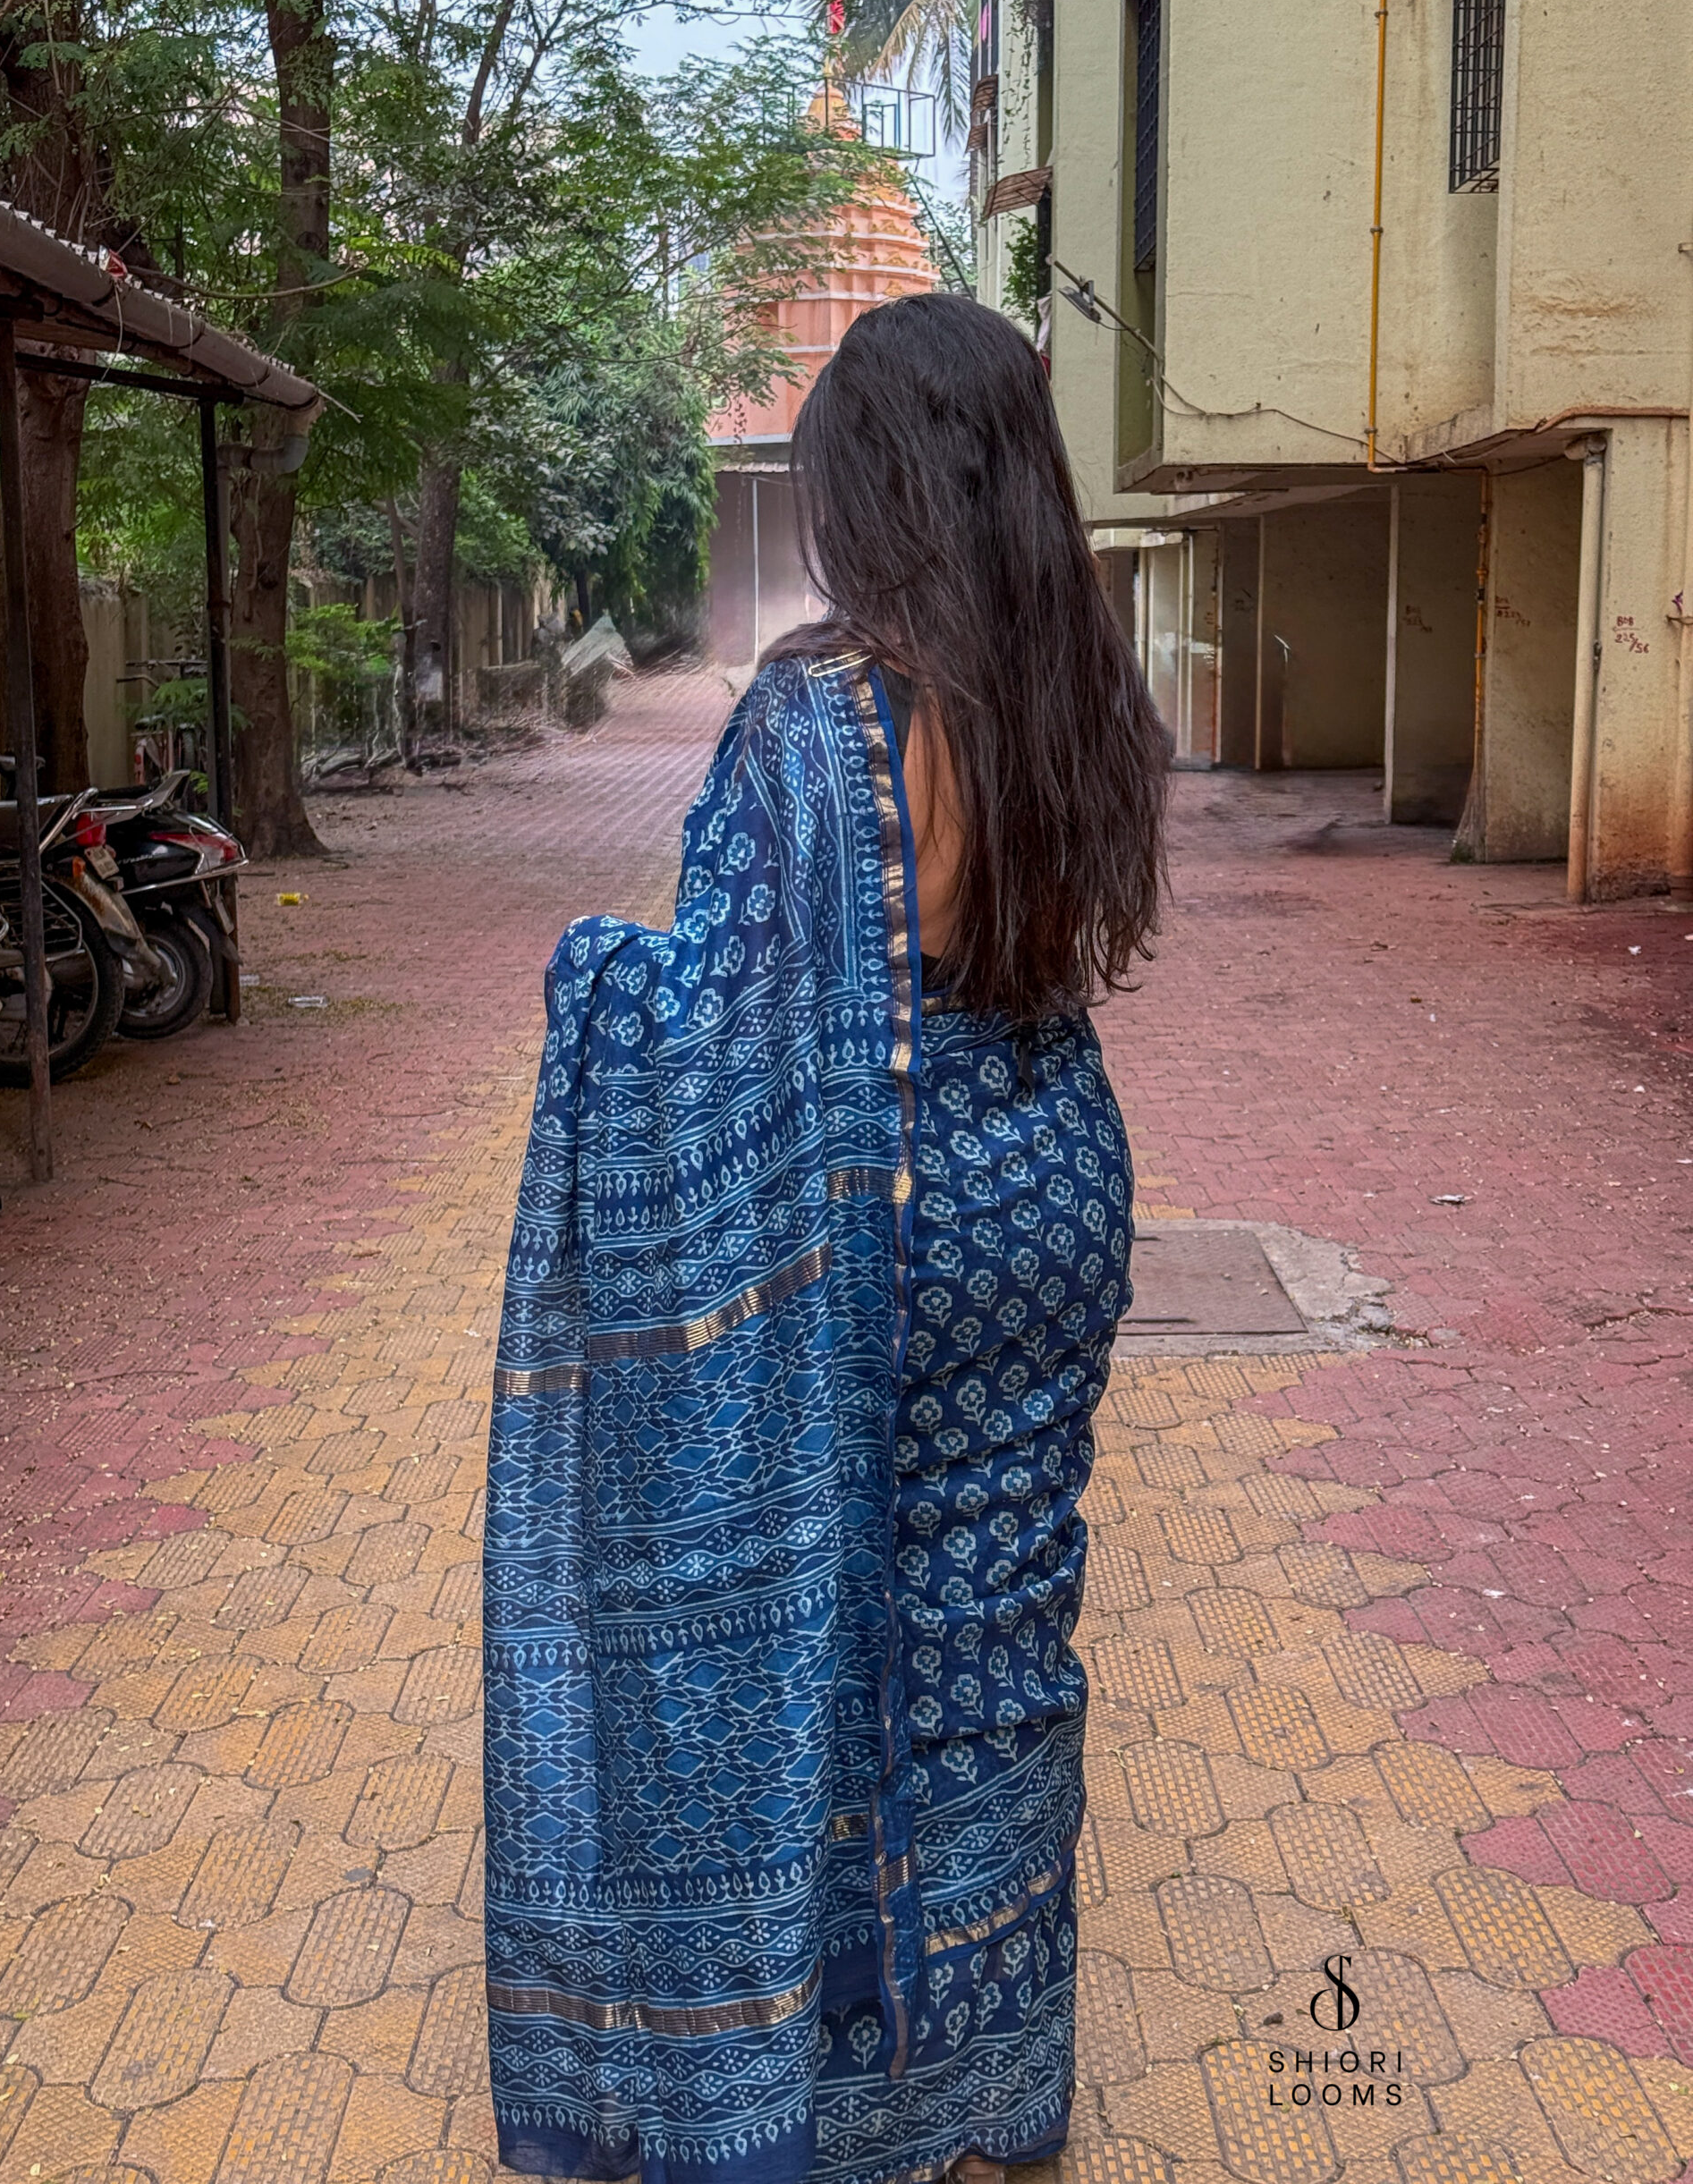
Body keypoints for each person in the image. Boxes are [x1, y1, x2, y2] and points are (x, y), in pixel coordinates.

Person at [484, 292, 1171, 2184]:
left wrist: (591, 977)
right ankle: (999, 2085)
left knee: (842, 1633)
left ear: (866, 488)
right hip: (1052, 1182)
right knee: (997, 1617)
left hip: (892, 1221)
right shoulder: (1074, 684)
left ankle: (855, 2104)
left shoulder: (820, 714)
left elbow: (717, 1020)